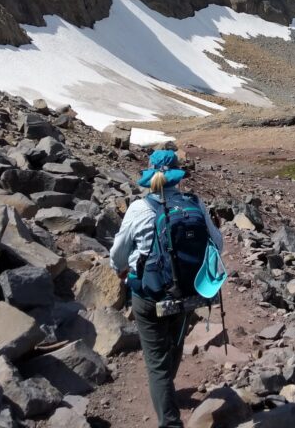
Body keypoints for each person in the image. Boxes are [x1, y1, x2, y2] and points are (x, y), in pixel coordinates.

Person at [110, 149, 223, 428]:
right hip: (187, 292)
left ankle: (170, 421)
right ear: (177, 174)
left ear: (150, 173)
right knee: (173, 346)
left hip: (149, 295)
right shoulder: (193, 203)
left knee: (156, 362)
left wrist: (121, 271)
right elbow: (217, 245)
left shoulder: (139, 208)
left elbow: (118, 254)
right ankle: (166, 392)